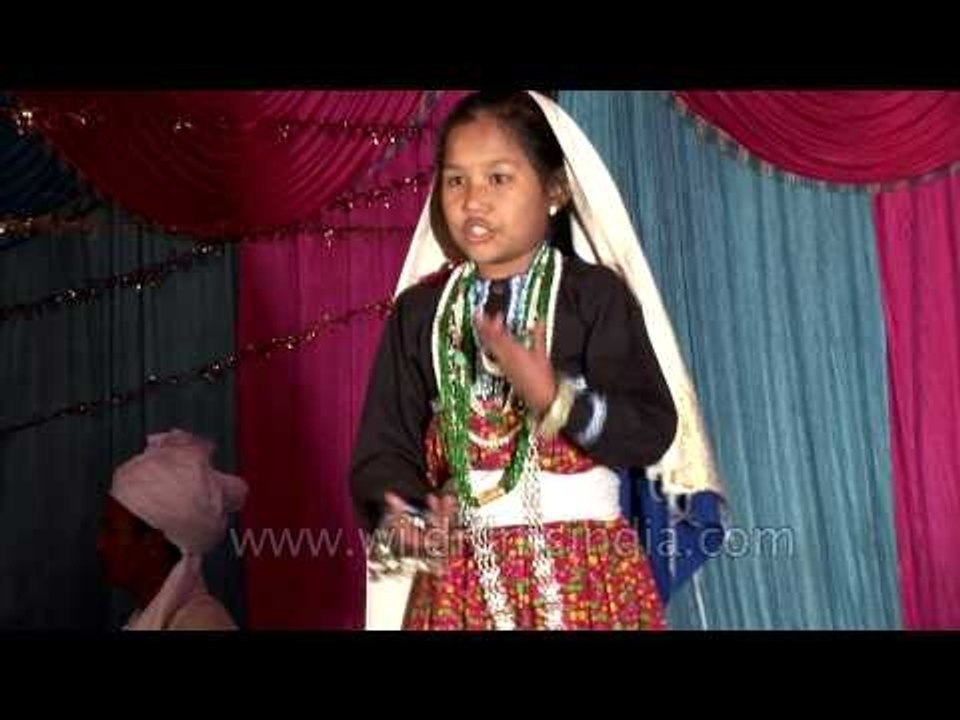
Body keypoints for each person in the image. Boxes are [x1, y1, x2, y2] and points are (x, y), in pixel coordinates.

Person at [351, 90, 723, 630]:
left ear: (555, 189)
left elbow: (649, 430)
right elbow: (382, 451)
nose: (472, 201)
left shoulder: (593, 298)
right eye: (456, 180)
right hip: (462, 584)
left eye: (498, 178)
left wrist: (556, 399)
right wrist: (406, 517)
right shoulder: (420, 315)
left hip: (588, 578)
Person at [96, 428, 247, 630]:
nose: (100, 545)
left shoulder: (200, 624)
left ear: (152, 543)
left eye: (112, 531)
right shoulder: (151, 618)